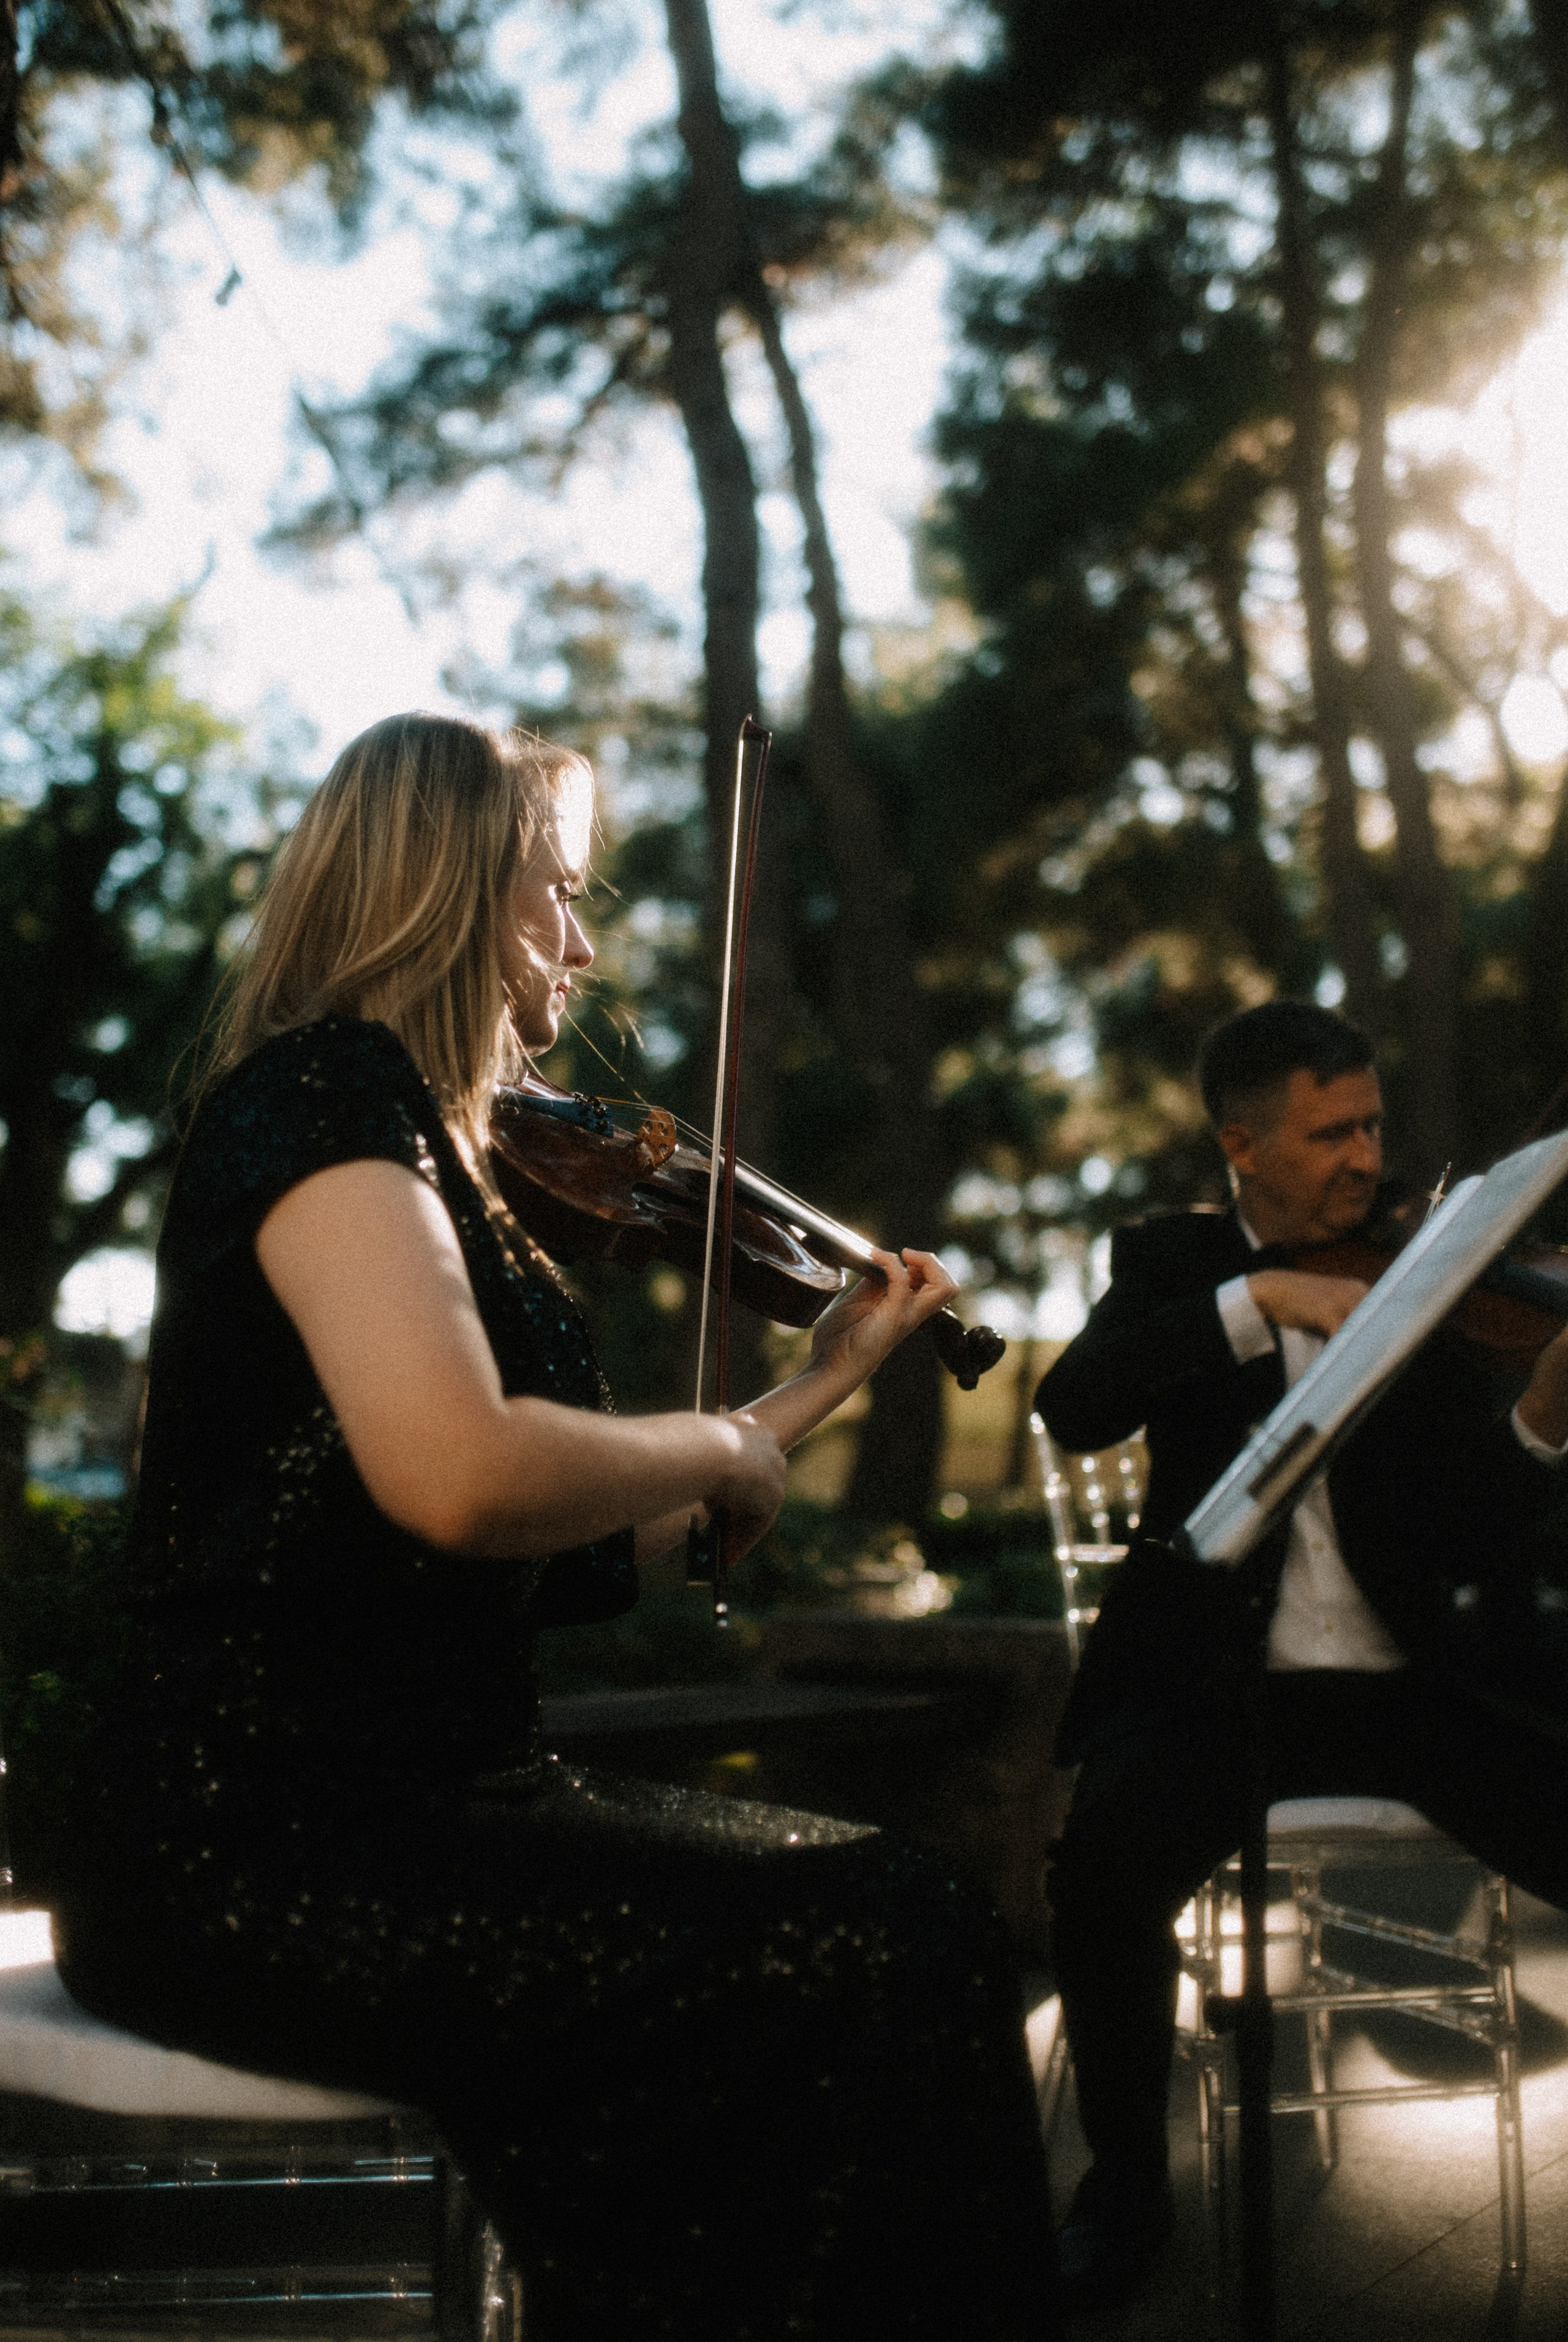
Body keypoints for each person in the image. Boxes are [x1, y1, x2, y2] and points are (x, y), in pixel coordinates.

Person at [50, 713, 1057, 2342]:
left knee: (911, 1920)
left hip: (433, 1803)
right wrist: (723, 1434)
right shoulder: (322, 1106)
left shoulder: (451, 1165)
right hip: (251, 1839)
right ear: (444, 895)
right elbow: (462, 1473)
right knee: (887, 1943)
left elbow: (591, 1527)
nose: (582, 947)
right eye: (557, 897)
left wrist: (806, 1397)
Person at [1036, 998, 1568, 2311]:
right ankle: (1125, 2195)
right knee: (1100, 1871)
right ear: (1241, 1145)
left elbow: (1484, 1516)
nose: (1364, 1158)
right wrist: (1253, 1300)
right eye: (1330, 1133)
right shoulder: (1170, 1263)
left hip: (1406, 1691)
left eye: (1373, 1125)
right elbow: (1073, 1403)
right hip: (1210, 1687)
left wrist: (1547, 1418)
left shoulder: (1432, 1272)